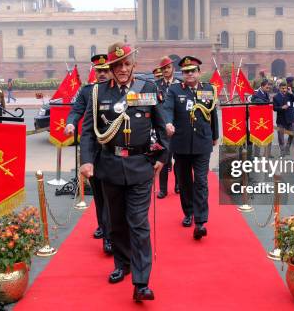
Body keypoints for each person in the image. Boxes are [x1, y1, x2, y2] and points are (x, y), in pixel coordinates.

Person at [80, 42, 168, 302]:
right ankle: (123, 264)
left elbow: (160, 125)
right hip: (110, 166)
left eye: (126, 64)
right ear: (110, 67)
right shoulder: (98, 93)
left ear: (133, 66)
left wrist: (162, 156)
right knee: (116, 222)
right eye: (116, 65)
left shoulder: (148, 88)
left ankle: (141, 282)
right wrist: (87, 160)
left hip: (140, 165)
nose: (121, 69)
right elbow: (88, 131)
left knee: (138, 223)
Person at [163, 56, 219, 240]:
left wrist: (215, 135)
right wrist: (168, 123)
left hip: (202, 142)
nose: (189, 74)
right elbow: (167, 109)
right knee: (185, 181)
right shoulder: (174, 89)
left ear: (198, 72)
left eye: (192, 71)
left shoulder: (209, 89)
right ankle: (188, 212)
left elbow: (212, 114)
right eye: (186, 71)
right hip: (180, 144)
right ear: (182, 74)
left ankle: (201, 221)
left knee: (201, 181)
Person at [65, 54, 112, 255]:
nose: (102, 74)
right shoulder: (87, 91)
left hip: (112, 149)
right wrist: (70, 123)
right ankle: (102, 225)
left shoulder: (117, 91)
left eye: (105, 70)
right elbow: (77, 110)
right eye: (98, 70)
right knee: (99, 194)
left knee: (110, 194)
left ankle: (109, 236)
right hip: (93, 150)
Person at [155, 56, 182, 198]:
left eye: (168, 68)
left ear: (173, 69)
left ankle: (178, 185)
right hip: (162, 129)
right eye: (163, 68)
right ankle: (163, 189)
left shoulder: (180, 85)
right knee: (164, 159)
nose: (166, 70)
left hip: (178, 128)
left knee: (178, 159)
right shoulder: (156, 85)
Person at [273, 82, 294, 157]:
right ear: (279, 88)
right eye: (282, 88)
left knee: (293, 133)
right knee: (280, 136)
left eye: (285, 88)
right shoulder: (276, 97)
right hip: (281, 119)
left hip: (290, 118)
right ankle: (282, 150)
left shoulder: (290, 94)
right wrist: (281, 107)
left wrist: (291, 93)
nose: (284, 90)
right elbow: (274, 108)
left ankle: (288, 146)